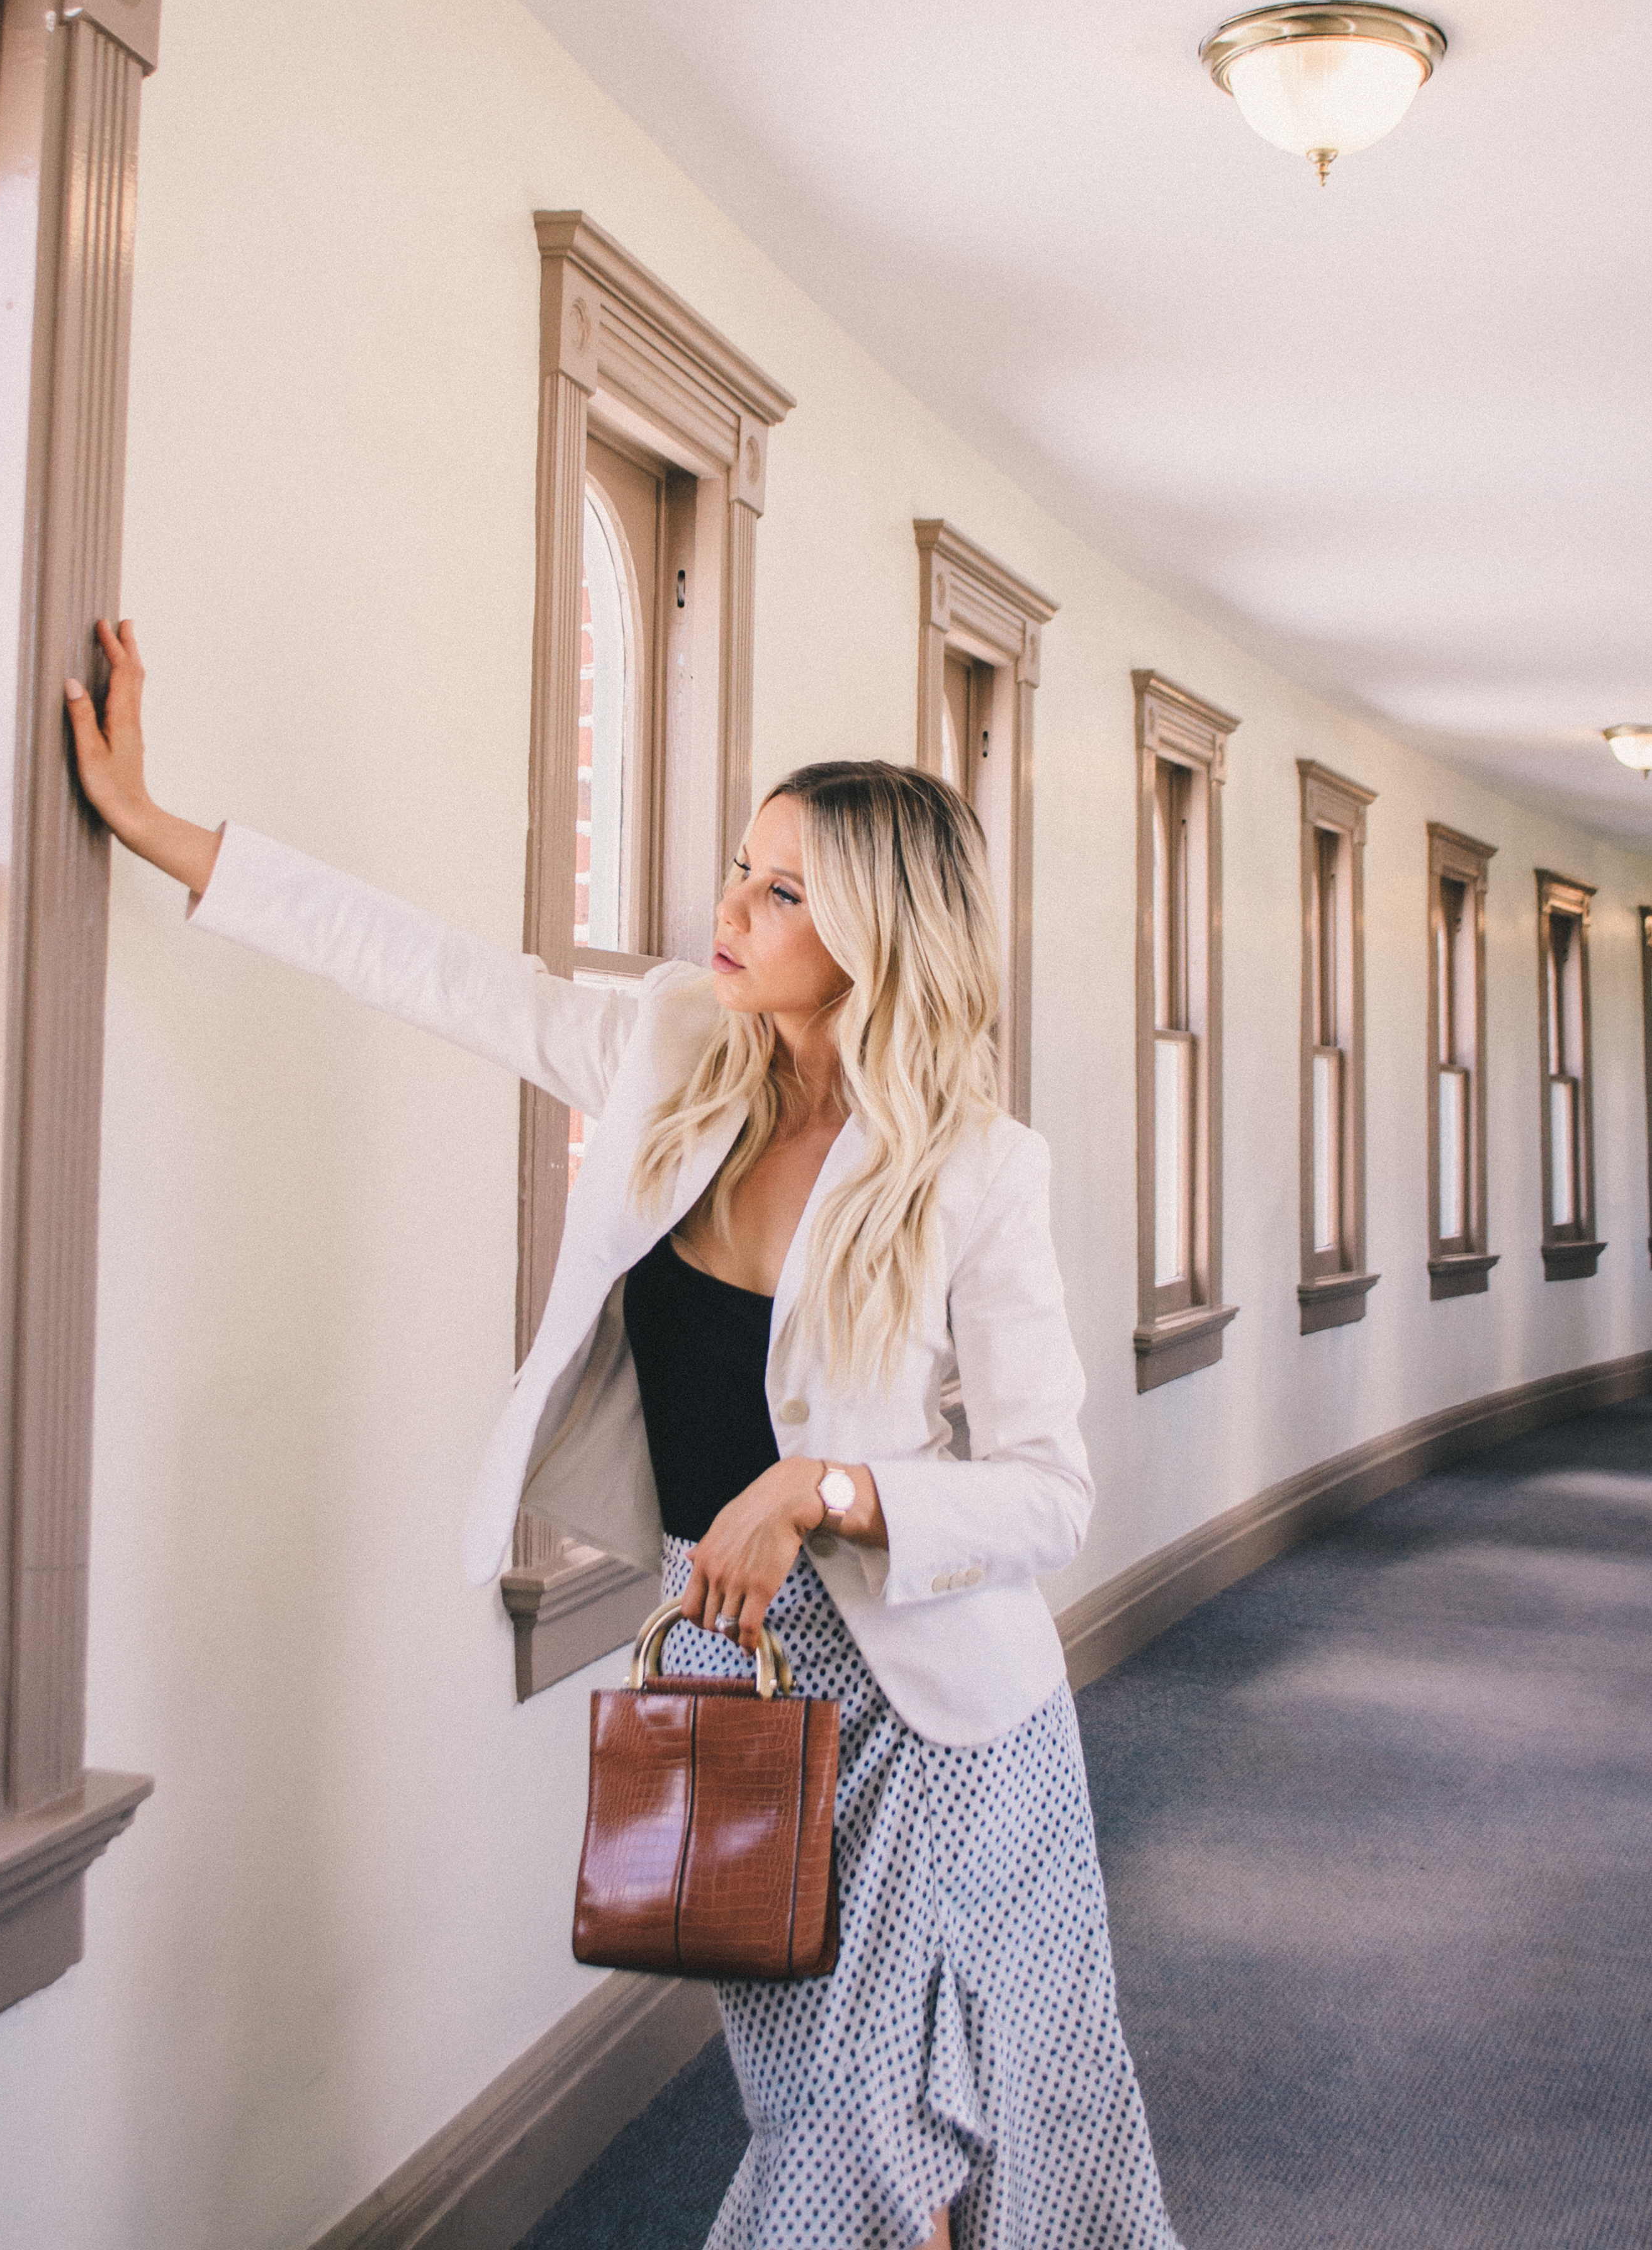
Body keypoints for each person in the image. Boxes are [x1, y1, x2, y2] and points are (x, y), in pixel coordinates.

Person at [66, 617, 1183, 2250]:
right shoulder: (670, 1046)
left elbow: (1046, 1495)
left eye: (781, 889)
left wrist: (826, 1489)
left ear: (878, 928)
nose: (727, 909)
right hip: (727, 1658)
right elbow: (439, 972)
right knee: (852, 2116)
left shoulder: (975, 1171)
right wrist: (163, 827)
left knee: (866, 2135)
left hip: (939, 1711)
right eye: (741, 869)